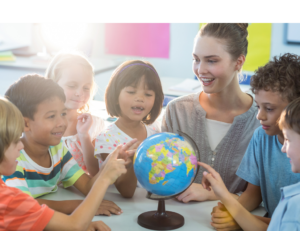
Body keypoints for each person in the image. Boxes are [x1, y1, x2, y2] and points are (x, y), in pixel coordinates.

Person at [3, 74, 136, 216]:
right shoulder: (13, 159)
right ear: (26, 124)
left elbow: (87, 186)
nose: (62, 123)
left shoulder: (58, 149)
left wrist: (109, 165)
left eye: (63, 113)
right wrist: (79, 206)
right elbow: (24, 206)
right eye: (51, 116)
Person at [162, 22, 260, 202]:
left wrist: (212, 194)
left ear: (238, 62)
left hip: (228, 223)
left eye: (212, 61)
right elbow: (163, 176)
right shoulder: (176, 111)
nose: (200, 70)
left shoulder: (261, 121)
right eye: (196, 59)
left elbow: (257, 196)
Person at [210, 53, 300, 230]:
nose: (260, 116)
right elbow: (253, 192)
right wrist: (231, 212)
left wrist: (240, 216)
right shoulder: (261, 136)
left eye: (269, 108)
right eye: (258, 106)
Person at [198, 97, 300, 231]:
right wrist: (234, 209)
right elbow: (277, 224)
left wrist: (227, 200)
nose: (283, 148)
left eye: (288, 139)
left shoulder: (294, 201)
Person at [94, 60, 164, 198]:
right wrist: (134, 159)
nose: (139, 98)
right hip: (124, 209)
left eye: (148, 94)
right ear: (115, 97)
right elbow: (126, 192)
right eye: (131, 92)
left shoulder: (155, 130)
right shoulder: (107, 139)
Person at [45, 51, 104, 176]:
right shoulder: (40, 123)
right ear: (51, 85)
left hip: (82, 193)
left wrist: (84, 136)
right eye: (72, 86)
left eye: (86, 87)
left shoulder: (93, 125)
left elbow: (95, 172)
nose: (79, 93)